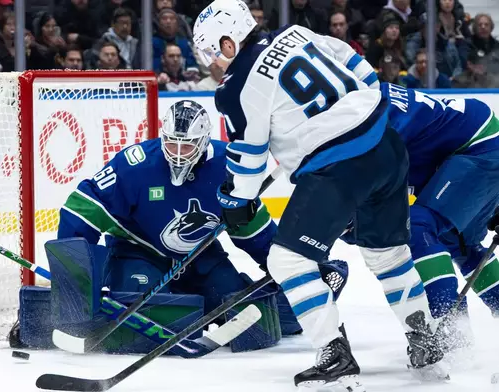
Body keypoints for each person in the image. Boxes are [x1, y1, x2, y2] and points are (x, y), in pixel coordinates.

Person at [193, 0, 444, 389]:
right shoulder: (296, 33)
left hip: (339, 168)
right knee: (387, 254)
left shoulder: (236, 87)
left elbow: (249, 156)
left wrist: (238, 199)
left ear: (229, 45)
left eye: (212, 53)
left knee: (287, 261)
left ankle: (334, 354)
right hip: (387, 147)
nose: (212, 64)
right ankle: (425, 341)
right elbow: (358, 64)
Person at [55, 100, 349, 354]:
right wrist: (74, 286)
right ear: (162, 135)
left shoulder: (230, 167)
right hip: (139, 254)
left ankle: (301, 295)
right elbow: (79, 212)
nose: (179, 152)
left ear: (205, 140)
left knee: (255, 320)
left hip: (202, 257)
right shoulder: (136, 166)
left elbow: (257, 236)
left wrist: (296, 271)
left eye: (188, 144)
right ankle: (165, 308)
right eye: (172, 142)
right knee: (146, 315)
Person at [378, 83, 499, 348]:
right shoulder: (365, 104)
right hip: (477, 147)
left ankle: (447, 331)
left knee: (419, 226)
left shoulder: (371, 113)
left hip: (476, 147)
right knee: (459, 242)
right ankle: (456, 332)